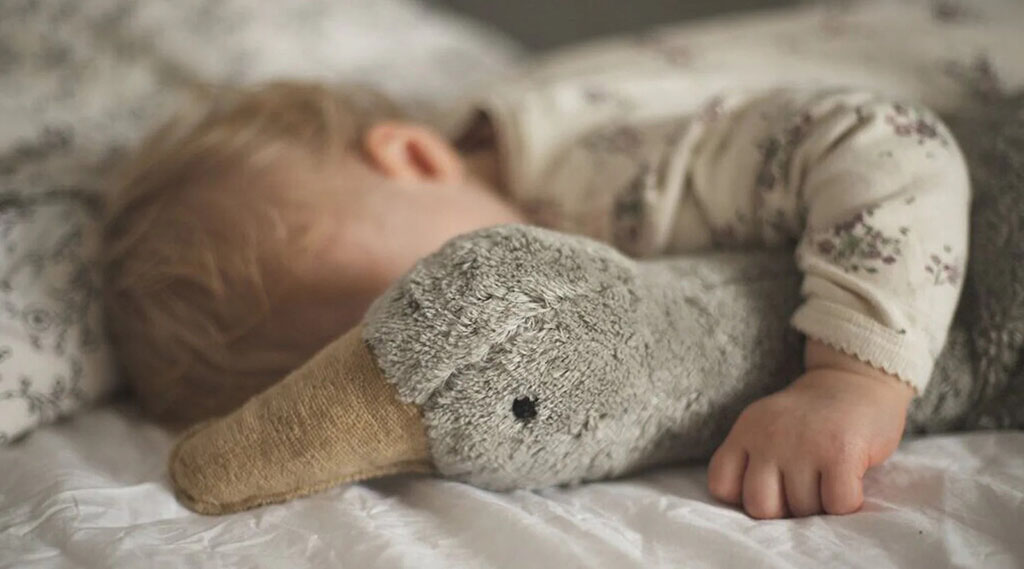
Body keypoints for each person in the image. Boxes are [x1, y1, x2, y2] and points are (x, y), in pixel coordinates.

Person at [102, 54, 969, 520]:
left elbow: (889, 140)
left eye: (414, 295)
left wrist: (849, 375)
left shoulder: (614, 171)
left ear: (412, 156)